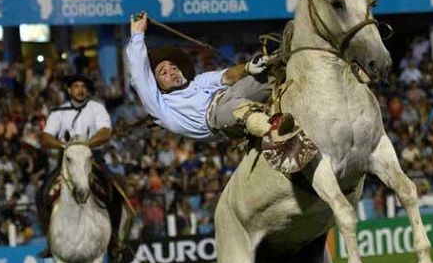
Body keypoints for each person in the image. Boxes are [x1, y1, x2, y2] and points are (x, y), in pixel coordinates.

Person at [124, 11, 307, 169]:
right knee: (230, 109)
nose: (171, 71)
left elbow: (227, 76)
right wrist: (137, 34)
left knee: (272, 70)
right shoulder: (162, 107)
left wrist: (249, 67)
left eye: (173, 67)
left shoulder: (199, 81)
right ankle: (275, 128)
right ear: (157, 86)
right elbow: (140, 76)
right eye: (163, 72)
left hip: (231, 95)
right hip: (217, 119)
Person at [35, 72, 124, 258]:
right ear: (69, 90)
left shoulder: (96, 108)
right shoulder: (58, 112)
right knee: (41, 195)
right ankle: (50, 241)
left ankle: (115, 240)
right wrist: (64, 146)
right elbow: (45, 137)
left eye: (83, 87)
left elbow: (106, 132)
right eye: (76, 86)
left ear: (88, 90)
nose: (80, 90)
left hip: (92, 157)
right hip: (67, 160)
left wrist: (85, 145)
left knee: (115, 192)